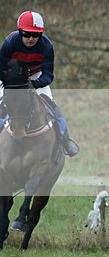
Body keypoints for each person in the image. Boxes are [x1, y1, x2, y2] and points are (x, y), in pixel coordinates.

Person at [0, 11, 79, 157]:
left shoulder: (47, 46)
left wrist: (34, 84)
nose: (31, 39)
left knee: (51, 105)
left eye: (36, 35)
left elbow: (48, 75)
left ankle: (65, 139)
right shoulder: (10, 42)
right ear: (20, 32)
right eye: (27, 34)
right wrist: (12, 83)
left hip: (35, 77)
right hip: (12, 78)